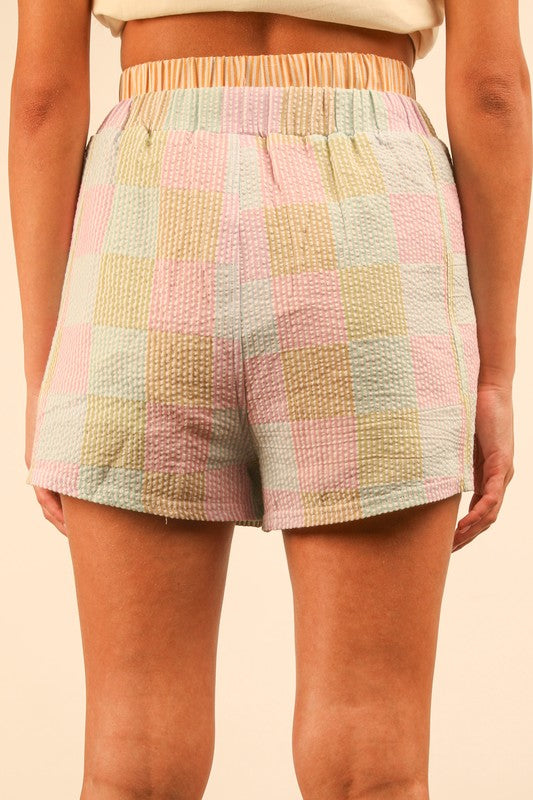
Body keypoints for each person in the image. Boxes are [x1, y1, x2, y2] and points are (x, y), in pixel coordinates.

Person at [9, 0, 531, 797]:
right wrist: (493, 374)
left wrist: (44, 367)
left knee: (130, 764)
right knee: (374, 768)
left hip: (149, 206)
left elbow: (43, 99)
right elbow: (493, 91)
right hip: (371, 211)